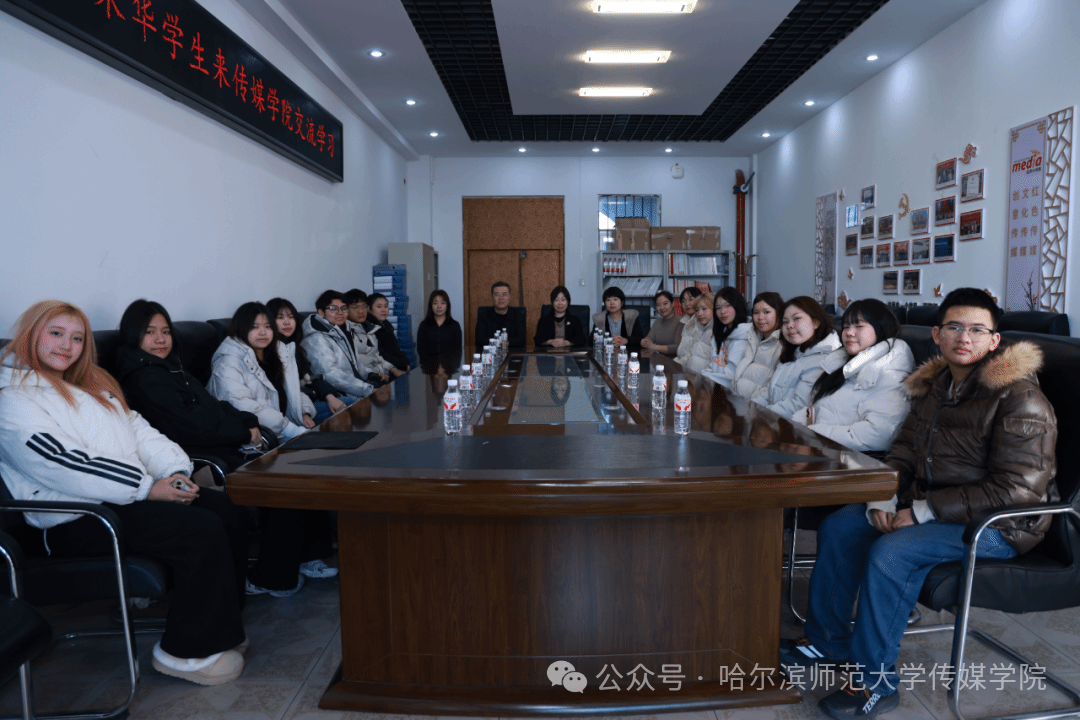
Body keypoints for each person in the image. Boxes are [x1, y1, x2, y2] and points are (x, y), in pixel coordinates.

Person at [782, 288, 1058, 719]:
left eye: (977, 330)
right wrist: (885, 496)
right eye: (954, 327)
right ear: (936, 334)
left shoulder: (1019, 398)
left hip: (1000, 525)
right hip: (932, 505)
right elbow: (904, 451)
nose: (964, 337)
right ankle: (827, 642)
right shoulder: (937, 386)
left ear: (994, 341)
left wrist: (922, 512)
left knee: (892, 552)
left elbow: (1016, 490)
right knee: (841, 526)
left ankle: (875, 684)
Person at [0, 301, 247, 686]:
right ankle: (185, 653)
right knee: (198, 529)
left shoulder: (90, 383)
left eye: (77, 338)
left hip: (117, 499)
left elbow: (138, 429)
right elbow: (61, 461)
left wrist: (173, 472)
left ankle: (219, 627)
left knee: (225, 509)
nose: (67, 345)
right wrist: (146, 487)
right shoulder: (13, 395)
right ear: (30, 334)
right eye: (56, 333)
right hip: (68, 518)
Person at [801, 299, 915, 452]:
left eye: (858, 326)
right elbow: (814, 409)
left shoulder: (891, 372)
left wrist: (811, 433)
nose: (849, 332)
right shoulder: (842, 363)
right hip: (820, 448)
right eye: (846, 327)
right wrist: (794, 429)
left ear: (880, 328)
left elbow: (878, 435)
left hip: (851, 459)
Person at [208, 302, 316, 442]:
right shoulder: (228, 363)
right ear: (241, 329)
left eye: (267, 326)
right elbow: (242, 406)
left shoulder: (277, 352)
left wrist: (304, 412)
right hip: (262, 436)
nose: (263, 332)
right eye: (255, 327)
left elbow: (293, 389)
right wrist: (291, 429)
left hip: (287, 425)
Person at [267, 297, 357, 424]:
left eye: (291, 317)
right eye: (280, 318)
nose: (287, 322)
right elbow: (288, 392)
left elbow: (309, 377)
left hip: (309, 400)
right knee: (351, 404)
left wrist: (329, 396)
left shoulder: (293, 347)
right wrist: (304, 413)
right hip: (293, 410)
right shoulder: (271, 352)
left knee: (350, 402)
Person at [751, 296, 840, 418]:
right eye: (785, 322)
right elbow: (768, 393)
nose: (789, 326)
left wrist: (759, 414)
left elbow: (799, 406)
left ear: (815, 322)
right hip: (772, 420)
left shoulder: (824, 361)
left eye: (796, 318)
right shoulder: (792, 353)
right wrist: (750, 407)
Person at [298, 290, 374, 403]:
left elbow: (354, 365)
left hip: (354, 387)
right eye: (333, 309)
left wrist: (370, 374)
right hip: (337, 394)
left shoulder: (341, 329)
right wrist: (366, 389)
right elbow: (331, 375)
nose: (340, 313)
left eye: (344, 308)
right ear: (321, 312)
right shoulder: (315, 338)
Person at [721, 291, 785, 398]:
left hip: (754, 405)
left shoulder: (783, 346)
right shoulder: (753, 338)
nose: (760, 317)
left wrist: (752, 404)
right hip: (736, 399)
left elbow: (772, 389)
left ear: (779, 313)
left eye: (766, 312)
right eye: (756, 312)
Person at [343, 289, 398, 383]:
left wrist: (392, 369)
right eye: (355, 307)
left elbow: (377, 357)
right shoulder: (344, 332)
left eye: (364, 306)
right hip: (366, 379)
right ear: (346, 309)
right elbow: (352, 365)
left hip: (381, 374)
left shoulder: (370, 329)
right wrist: (374, 374)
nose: (361, 311)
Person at [416, 289, 463, 366]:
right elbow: (421, 350)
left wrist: (447, 367)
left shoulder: (455, 325)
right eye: (435, 303)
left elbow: (458, 350)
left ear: (447, 306)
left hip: (449, 367)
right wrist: (433, 366)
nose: (439, 306)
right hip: (428, 367)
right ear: (431, 306)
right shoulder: (424, 325)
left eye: (442, 303)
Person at [475, 281, 527, 348]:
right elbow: (480, 339)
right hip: (490, 352)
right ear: (492, 297)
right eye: (497, 295)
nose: (501, 298)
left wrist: (504, 343)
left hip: (512, 352)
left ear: (509, 297)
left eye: (504, 294)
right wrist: (501, 342)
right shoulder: (484, 315)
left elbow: (521, 339)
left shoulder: (519, 315)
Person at [368, 292, 412, 372]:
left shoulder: (387, 325)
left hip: (398, 367)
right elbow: (381, 355)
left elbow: (396, 350)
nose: (383, 310)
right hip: (384, 371)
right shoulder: (370, 328)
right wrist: (401, 365)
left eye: (386, 306)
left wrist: (406, 363)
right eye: (379, 307)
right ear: (369, 309)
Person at [674, 292, 715, 372]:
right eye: (697, 310)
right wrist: (677, 365)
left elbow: (716, 365)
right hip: (691, 374)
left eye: (704, 309)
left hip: (703, 377)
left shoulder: (716, 332)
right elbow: (691, 354)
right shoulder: (700, 329)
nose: (699, 313)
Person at [640, 290, 683, 355]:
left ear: (673, 304)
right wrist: (644, 342)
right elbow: (650, 338)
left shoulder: (681, 322)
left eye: (665, 304)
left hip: (675, 360)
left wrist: (654, 347)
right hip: (659, 359)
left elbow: (677, 348)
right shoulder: (657, 321)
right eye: (658, 305)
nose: (662, 308)